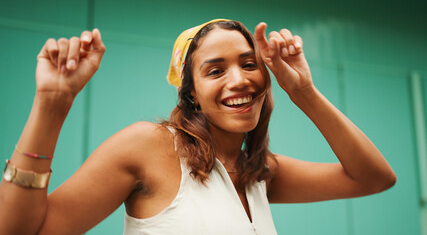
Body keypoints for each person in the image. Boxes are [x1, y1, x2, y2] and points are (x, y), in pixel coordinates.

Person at [0, 19, 396, 235]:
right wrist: (52, 105)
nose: (239, 79)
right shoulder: (150, 146)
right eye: (216, 70)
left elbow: (374, 178)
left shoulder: (260, 172)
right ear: (191, 94)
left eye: (249, 63)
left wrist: (305, 92)